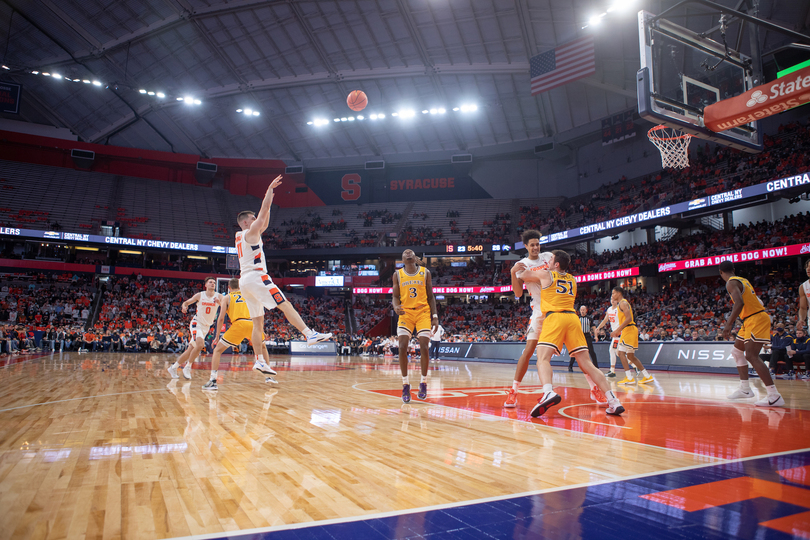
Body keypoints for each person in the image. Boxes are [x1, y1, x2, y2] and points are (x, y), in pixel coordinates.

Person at [235, 175, 331, 379]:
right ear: (245, 222)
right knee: (285, 303)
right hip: (257, 277)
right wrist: (268, 192)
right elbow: (261, 218)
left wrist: (268, 207)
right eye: (251, 219)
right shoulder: (249, 233)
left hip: (245, 281)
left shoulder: (240, 236)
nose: (255, 221)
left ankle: (259, 361)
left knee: (258, 323)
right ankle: (308, 334)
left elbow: (264, 221)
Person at [516, 250, 624, 417]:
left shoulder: (546, 275)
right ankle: (613, 400)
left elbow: (522, 275)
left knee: (543, 359)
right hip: (572, 320)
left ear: (556, 264)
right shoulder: (572, 279)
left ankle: (548, 392)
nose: (548, 261)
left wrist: (517, 268)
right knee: (588, 364)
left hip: (555, 318)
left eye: (551, 259)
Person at [719, 260, 784, 407]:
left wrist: (728, 324)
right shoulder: (743, 280)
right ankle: (745, 389)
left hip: (755, 318)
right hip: (749, 319)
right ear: (733, 269)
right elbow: (758, 300)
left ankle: (774, 395)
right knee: (736, 351)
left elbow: (739, 303)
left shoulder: (730, 282)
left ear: (721, 272)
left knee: (751, 356)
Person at [504, 229, 553, 408]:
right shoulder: (522, 264)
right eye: (532, 245)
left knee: (577, 351)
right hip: (539, 311)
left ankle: (596, 389)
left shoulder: (548, 257)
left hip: (555, 309)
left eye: (537, 244)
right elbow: (517, 294)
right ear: (525, 246)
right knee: (528, 351)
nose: (535, 247)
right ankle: (513, 392)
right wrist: (512, 273)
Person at [203, 279, 277, 391]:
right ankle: (269, 377)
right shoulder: (248, 295)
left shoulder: (227, 297)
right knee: (262, 347)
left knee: (217, 350)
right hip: (252, 323)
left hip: (239, 324)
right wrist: (261, 329)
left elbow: (221, 317)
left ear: (229, 287)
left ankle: (213, 380)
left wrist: (217, 336)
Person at [392, 249, 438, 403]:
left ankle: (423, 382)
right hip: (406, 313)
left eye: (410, 252)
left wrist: (435, 317)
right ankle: (405, 385)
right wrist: (395, 306)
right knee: (402, 346)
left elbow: (431, 296)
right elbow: (395, 297)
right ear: (402, 259)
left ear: (414, 258)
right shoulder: (397, 275)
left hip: (423, 312)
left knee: (424, 346)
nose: (408, 253)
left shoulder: (425, 272)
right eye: (405, 252)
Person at [168, 277, 223, 380]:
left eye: (214, 283)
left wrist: (219, 303)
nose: (213, 284)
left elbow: (226, 307)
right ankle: (188, 367)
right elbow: (186, 302)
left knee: (190, 350)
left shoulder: (219, 296)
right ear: (205, 285)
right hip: (196, 323)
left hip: (206, 327)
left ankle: (173, 367)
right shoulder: (200, 295)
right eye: (210, 282)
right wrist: (184, 307)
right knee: (200, 344)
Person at [610, 287, 653, 385]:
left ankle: (629, 378)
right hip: (629, 330)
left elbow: (629, 318)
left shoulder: (623, 303)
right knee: (630, 356)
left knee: (620, 353)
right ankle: (647, 376)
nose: (612, 295)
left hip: (629, 330)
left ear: (619, 293)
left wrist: (617, 330)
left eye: (613, 293)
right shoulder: (621, 304)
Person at [594, 298, 620, 377]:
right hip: (615, 335)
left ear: (617, 301)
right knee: (618, 352)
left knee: (614, 351)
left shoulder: (619, 309)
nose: (613, 301)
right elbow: (605, 320)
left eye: (614, 300)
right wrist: (598, 327)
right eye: (611, 299)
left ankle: (612, 371)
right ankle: (635, 366)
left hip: (619, 334)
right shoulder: (609, 309)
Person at [569, 305, 598, 371]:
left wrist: (596, 336)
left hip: (587, 335)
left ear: (586, 310)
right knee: (575, 351)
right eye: (581, 310)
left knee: (591, 351)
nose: (582, 311)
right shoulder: (577, 318)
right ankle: (570, 366)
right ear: (579, 311)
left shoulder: (589, 318)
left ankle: (596, 366)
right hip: (578, 336)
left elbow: (593, 327)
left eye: (583, 310)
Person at [798, 259, 809, 331]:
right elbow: (803, 308)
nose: (808, 269)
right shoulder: (803, 286)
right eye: (807, 267)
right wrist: (801, 319)